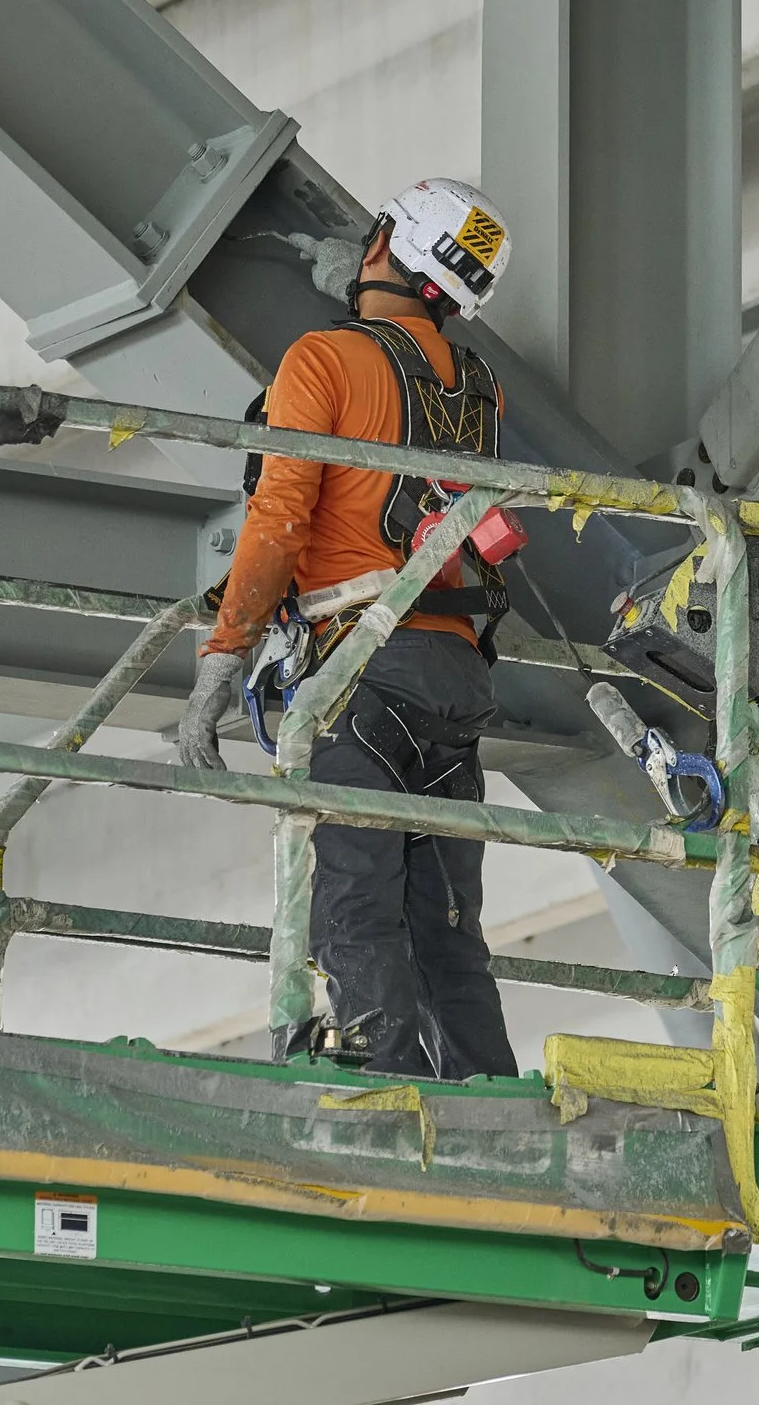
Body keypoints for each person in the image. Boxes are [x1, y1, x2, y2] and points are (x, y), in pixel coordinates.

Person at [178, 179, 519, 1079]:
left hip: (363, 667)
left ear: (380, 245)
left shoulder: (323, 359)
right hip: (457, 673)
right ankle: (489, 1100)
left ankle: (383, 1093)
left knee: (357, 908)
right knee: (446, 927)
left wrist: (224, 657)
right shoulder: (476, 386)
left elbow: (281, 517)